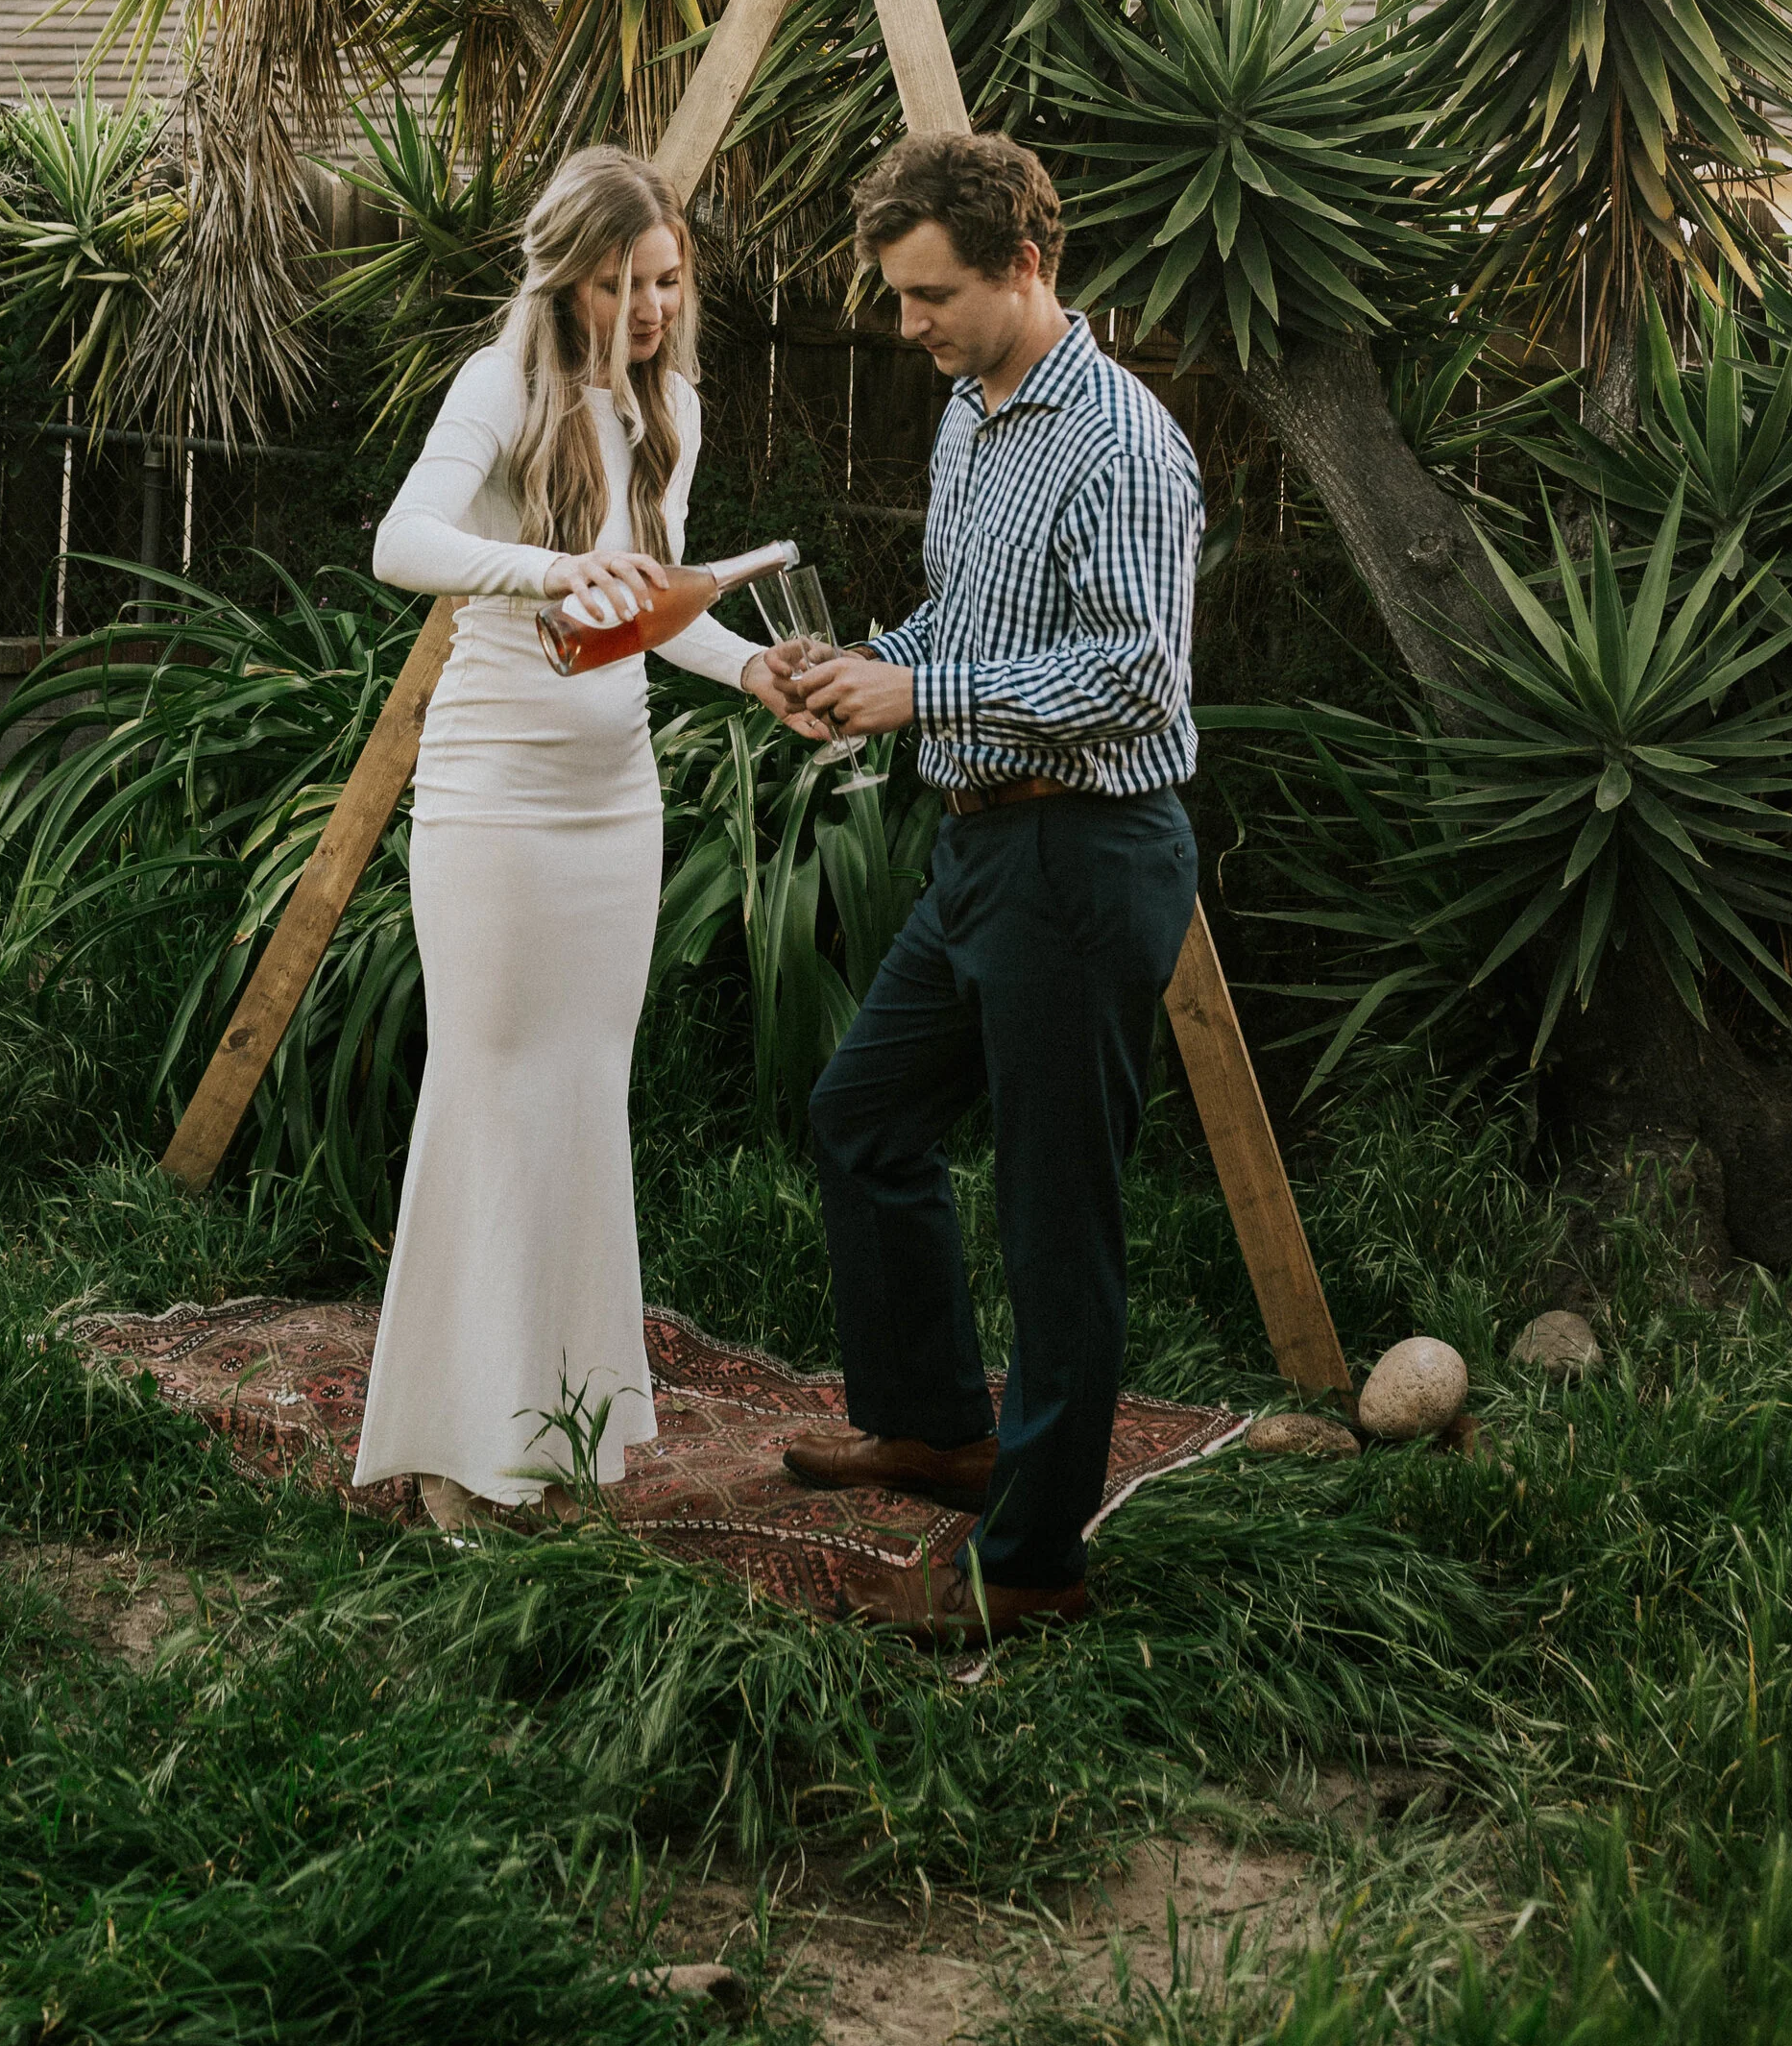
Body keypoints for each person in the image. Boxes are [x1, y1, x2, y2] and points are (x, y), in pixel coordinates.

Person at [756, 132, 1202, 1645]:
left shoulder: (1124, 441)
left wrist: (925, 690)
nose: (908, 326)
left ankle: (1031, 1559)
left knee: (1051, 1216)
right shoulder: (971, 407)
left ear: (1028, 262)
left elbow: (1139, 674)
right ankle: (939, 1423)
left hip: (1085, 858)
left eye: (930, 293)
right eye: (895, 296)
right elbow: (976, 609)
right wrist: (874, 661)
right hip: (981, 849)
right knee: (861, 1115)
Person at [352, 145, 799, 1524]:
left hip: (617, 808)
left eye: (664, 278)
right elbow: (403, 539)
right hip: (494, 798)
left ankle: (564, 1435)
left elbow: (655, 605)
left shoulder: (672, 407)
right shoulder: (501, 386)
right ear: (567, 278)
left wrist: (753, 671)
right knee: (488, 1095)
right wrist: (549, 565)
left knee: (582, 1103)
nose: (647, 306)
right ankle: (451, 1452)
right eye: (618, 281)